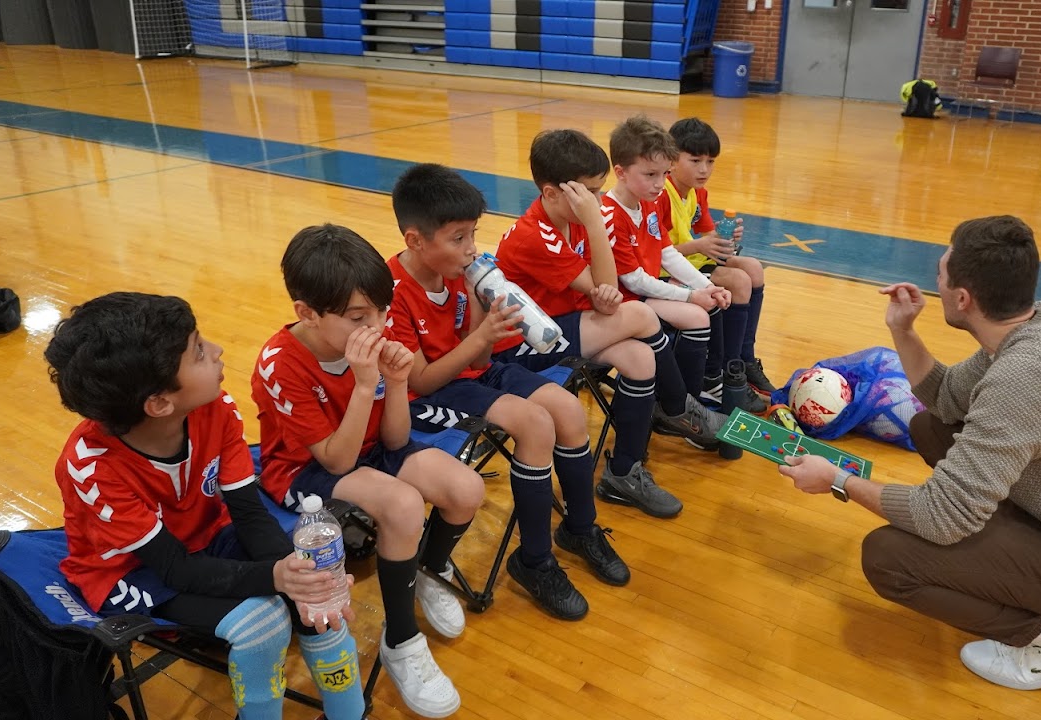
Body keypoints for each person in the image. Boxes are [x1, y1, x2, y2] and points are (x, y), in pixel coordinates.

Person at [779, 216, 1041, 691]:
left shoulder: (1026, 378)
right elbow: (947, 398)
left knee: (888, 558)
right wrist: (903, 331)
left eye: (943, 274)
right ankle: (1018, 565)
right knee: (930, 427)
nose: (937, 279)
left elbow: (941, 517)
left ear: (963, 299)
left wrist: (838, 480)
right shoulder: (1038, 325)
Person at [45, 292, 365, 720]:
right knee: (262, 624)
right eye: (199, 351)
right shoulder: (91, 466)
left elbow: (249, 514)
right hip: (130, 571)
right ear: (159, 403)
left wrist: (302, 578)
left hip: (206, 540)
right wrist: (276, 577)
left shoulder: (215, 407)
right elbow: (172, 568)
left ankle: (350, 712)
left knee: (319, 593)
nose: (217, 351)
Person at [252, 225, 486, 718]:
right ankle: (401, 641)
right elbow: (335, 460)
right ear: (307, 314)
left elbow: (395, 441)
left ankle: (423, 570)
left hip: (370, 448)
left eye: (383, 311)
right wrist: (365, 385)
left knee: (465, 487)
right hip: (305, 468)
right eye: (360, 317)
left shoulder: (376, 332)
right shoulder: (280, 363)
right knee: (401, 505)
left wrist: (396, 382)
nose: (378, 326)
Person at [386, 163, 630, 621]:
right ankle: (534, 561)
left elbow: (479, 363)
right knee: (535, 423)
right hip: (432, 396)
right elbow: (421, 382)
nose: (471, 248)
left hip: (472, 372)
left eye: (472, 234)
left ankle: (580, 528)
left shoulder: (461, 272)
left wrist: (485, 305)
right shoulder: (393, 291)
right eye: (458, 238)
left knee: (566, 409)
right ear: (416, 240)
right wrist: (482, 338)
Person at [490, 128, 691, 519]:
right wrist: (597, 229)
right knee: (639, 314)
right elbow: (605, 283)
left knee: (638, 358)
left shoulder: (576, 215)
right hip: (522, 346)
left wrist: (603, 289)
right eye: (589, 192)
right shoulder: (536, 236)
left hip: (565, 325)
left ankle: (623, 473)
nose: (598, 200)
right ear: (551, 193)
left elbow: (603, 288)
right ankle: (678, 406)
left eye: (599, 191)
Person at [602, 115, 754, 426]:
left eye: (663, 174)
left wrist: (703, 286)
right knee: (697, 312)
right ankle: (681, 403)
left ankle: (697, 391)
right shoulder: (611, 212)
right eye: (651, 175)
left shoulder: (647, 201)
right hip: (625, 298)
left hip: (643, 290)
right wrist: (690, 294)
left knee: (706, 303)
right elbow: (634, 280)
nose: (660, 184)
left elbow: (665, 252)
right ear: (620, 172)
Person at [660, 118, 776, 403]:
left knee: (752, 268)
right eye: (696, 160)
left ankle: (744, 360)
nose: (704, 169)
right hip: (665, 272)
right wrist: (702, 244)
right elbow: (659, 252)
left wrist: (728, 239)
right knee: (738, 280)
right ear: (672, 160)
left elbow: (708, 235)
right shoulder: (660, 192)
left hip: (691, 263)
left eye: (711, 161)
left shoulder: (698, 192)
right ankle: (725, 371)